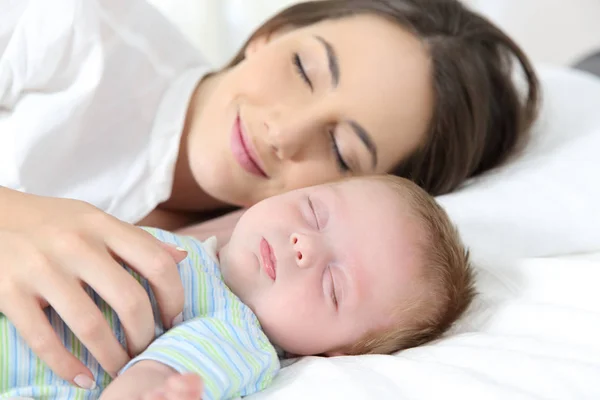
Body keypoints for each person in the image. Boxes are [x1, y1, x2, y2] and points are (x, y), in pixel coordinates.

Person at [0, 0, 537, 388]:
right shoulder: (65, 28)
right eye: (304, 69)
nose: (283, 131)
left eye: (343, 149)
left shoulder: (240, 309)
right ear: (271, 32)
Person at [0, 175, 475, 399]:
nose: (303, 245)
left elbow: (164, 375)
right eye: (313, 212)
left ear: (336, 352)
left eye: (333, 286)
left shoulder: (240, 335)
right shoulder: (192, 254)